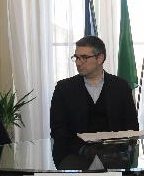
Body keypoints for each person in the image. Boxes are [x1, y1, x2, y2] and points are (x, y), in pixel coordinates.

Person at [50, 35, 139, 166]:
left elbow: (131, 126)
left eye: (84, 58)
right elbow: (58, 130)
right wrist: (82, 150)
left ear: (100, 58)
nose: (78, 62)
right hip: (75, 153)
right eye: (76, 57)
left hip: (114, 154)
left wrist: (115, 149)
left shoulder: (120, 86)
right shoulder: (64, 88)